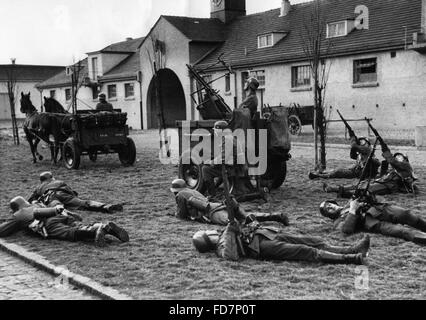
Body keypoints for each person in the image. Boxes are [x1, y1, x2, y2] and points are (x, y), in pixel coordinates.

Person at [192, 221, 370, 265]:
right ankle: (351, 258)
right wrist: (231, 230)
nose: (210, 231)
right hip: (261, 247)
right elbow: (230, 257)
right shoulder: (220, 247)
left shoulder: (223, 233)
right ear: (208, 241)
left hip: (265, 235)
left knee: (312, 241)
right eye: (207, 233)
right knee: (304, 250)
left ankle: (352, 249)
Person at [0, 197, 129, 247]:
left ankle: (94, 231)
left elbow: (3, 231)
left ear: (15, 208)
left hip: (48, 224)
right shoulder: (37, 204)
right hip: (62, 214)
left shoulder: (18, 215)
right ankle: (102, 226)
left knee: (69, 232)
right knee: (77, 225)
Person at [170, 179, 289, 226]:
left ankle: (260, 229)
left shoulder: (180, 195)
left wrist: (175, 215)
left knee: (234, 224)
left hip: (212, 212)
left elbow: (181, 214)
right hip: (219, 205)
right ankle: (278, 216)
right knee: (246, 216)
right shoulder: (193, 191)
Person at [323, 141, 417, 197]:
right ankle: (334, 189)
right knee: (360, 184)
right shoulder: (395, 168)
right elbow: (384, 173)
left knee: (367, 190)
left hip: (390, 186)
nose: (397, 158)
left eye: (400, 157)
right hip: (383, 182)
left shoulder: (406, 165)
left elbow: (392, 162)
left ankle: (344, 193)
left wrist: (385, 150)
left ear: (405, 159)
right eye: (397, 157)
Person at [319, 197, 426, 245]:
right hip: (374, 224)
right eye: (327, 209)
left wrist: (365, 197)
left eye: (330, 204)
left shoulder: (350, 201)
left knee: (405, 214)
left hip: (380, 211)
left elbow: (372, 197)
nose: (331, 207)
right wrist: (353, 209)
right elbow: (347, 229)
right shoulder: (337, 222)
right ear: (329, 215)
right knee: (402, 231)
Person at [28, 172, 123, 214]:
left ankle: (68, 215)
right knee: (84, 203)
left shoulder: (39, 187)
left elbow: (30, 200)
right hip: (64, 194)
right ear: (50, 178)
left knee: (58, 209)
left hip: (50, 197)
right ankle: (106, 206)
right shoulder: (59, 181)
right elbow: (71, 192)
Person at [201, 120, 246, 197]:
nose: (214, 132)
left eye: (215, 130)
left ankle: (212, 195)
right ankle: (216, 188)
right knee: (216, 166)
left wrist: (211, 162)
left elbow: (223, 158)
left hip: (232, 169)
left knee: (205, 169)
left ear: (220, 130)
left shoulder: (226, 139)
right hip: (237, 167)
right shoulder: (231, 137)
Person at [309, 136, 380, 180]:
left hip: (359, 173)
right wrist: (353, 148)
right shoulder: (363, 152)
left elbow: (357, 147)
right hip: (356, 170)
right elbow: (352, 156)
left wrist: (353, 143)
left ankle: (320, 176)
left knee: (338, 172)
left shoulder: (368, 150)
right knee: (338, 170)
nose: (361, 144)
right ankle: (323, 173)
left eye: (363, 142)